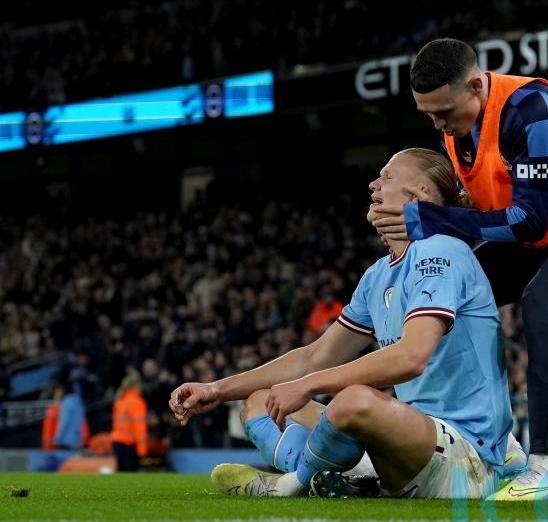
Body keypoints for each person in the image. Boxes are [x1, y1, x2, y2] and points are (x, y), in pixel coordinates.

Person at [369, 38, 548, 499]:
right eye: (429, 115)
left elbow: (527, 219)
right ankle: (498, 449)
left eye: (445, 112)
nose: (439, 124)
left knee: (543, 302)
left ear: (477, 86)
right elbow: (490, 209)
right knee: (448, 296)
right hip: (546, 232)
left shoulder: (533, 109)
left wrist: (428, 218)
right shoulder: (457, 125)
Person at [169, 148, 527, 499]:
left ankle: (291, 483)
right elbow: (315, 356)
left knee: (353, 400)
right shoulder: (377, 276)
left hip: (466, 457)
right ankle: (353, 476)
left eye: (387, 176)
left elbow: (410, 357)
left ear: (422, 193)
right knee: (260, 400)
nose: (373, 184)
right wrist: (216, 389)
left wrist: (308, 385)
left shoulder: (442, 249)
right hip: (409, 443)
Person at [110, 372, 149, 472]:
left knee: (122, 474)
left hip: (117, 441)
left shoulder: (120, 400)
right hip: (129, 444)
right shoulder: (137, 402)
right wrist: (142, 450)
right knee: (131, 476)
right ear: (136, 386)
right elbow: (139, 427)